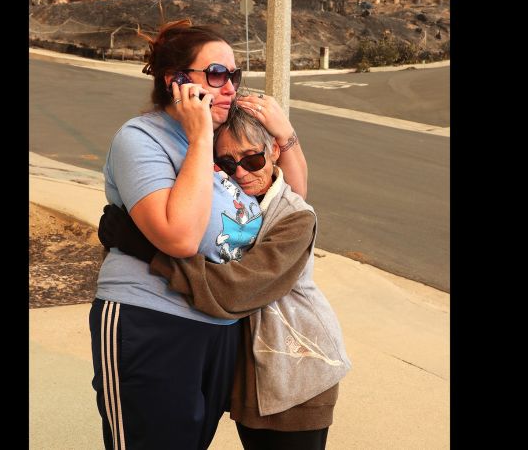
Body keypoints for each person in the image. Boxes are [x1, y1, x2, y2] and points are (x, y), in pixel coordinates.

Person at [90, 19, 308, 450]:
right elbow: (181, 237)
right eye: (216, 74)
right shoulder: (142, 140)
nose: (229, 86)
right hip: (150, 319)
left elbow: (289, 201)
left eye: (234, 75)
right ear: (177, 82)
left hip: (218, 327)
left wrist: (285, 134)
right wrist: (197, 138)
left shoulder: (224, 141)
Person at [99, 104, 349, 450]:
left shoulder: (295, 218)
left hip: (296, 374)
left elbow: (237, 290)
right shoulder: (244, 205)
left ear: (273, 151)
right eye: (227, 164)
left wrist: (151, 253)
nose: (242, 173)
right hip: (255, 378)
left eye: (252, 159)